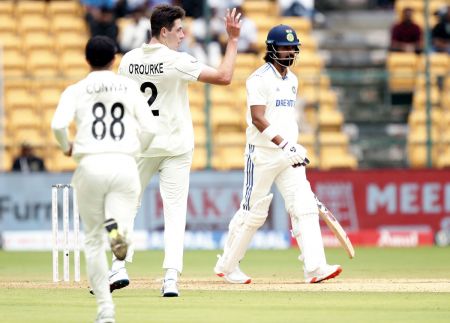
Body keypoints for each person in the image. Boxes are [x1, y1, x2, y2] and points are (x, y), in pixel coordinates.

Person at [114, 4, 241, 297]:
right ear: (163, 31)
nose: (184, 35)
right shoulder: (177, 61)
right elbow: (224, 77)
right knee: (174, 213)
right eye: (179, 29)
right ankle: (170, 278)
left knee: (125, 210)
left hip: (141, 145)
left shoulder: (128, 61)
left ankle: (117, 266)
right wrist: (232, 40)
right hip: (175, 146)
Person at [214, 24, 342, 285]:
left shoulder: (293, 80)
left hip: (288, 154)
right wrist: (286, 144)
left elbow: (283, 119)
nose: (290, 52)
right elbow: (258, 119)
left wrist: (293, 145)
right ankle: (227, 266)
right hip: (261, 155)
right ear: (272, 49)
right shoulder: (258, 79)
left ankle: (315, 267)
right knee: (254, 212)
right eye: (285, 47)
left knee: (303, 206)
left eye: (293, 47)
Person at [51, 35, 157, 323]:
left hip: (90, 164)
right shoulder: (129, 87)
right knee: (120, 222)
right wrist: (135, 150)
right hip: (124, 163)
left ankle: (106, 311)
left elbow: (58, 125)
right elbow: (150, 128)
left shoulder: (76, 89)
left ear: (87, 60)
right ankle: (119, 233)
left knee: (93, 240)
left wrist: (67, 148)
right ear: (114, 59)